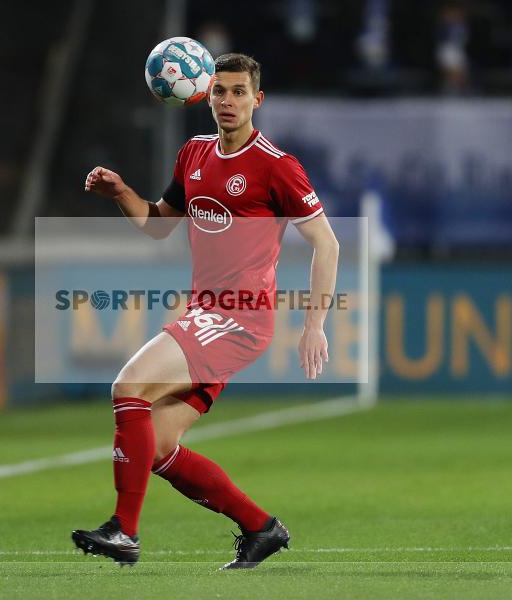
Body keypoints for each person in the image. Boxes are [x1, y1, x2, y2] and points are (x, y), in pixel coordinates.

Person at [74, 53, 339, 569]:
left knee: (127, 388)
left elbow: (325, 245)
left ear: (257, 100)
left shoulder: (276, 166)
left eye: (240, 92)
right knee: (156, 447)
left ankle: (124, 532)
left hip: (239, 318)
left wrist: (314, 325)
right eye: (219, 91)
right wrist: (121, 192)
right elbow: (158, 224)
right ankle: (261, 528)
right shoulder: (193, 154)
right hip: (205, 313)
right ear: (204, 94)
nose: (228, 101)